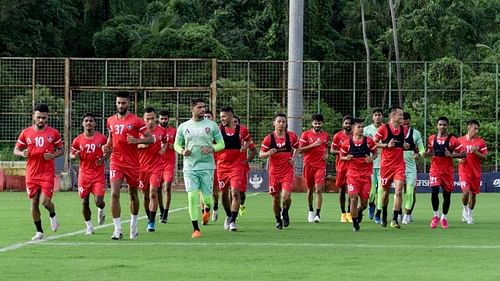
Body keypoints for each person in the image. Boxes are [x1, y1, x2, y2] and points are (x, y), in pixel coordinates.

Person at [103, 92, 154, 240]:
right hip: (116, 161)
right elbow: (111, 138)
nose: (120, 106)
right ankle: (117, 230)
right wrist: (107, 146)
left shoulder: (137, 121)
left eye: (123, 103)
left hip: (132, 163)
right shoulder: (110, 120)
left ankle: (134, 224)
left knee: (133, 194)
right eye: (118, 103)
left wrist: (137, 141)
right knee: (114, 193)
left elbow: (150, 139)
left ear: (128, 104)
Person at [174, 98, 224, 238]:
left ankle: (207, 209)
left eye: (204, 107)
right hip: (190, 167)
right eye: (199, 107)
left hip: (207, 167)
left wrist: (212, 148)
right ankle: (196, 229)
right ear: (192, 109)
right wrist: (182, 151)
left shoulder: (212, 125)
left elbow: (221, 144)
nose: (203, 110)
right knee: (192, 197)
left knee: (208, 198)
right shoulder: (184, 126)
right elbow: (176, 145)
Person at [14, 104, 64, 240]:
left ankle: (52, 214)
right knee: (34, 203)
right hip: (31, 174)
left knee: (45, 202)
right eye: (38, 117)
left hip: (47, 173)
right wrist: (22, 153)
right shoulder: (26, 133)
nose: (41, 120)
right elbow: (16, 150)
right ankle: (39, 232)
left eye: (43, 117)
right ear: (33, 117)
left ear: (47, 117)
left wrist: (53, 155)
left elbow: (61, 149)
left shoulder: (53, 133)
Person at [70, 112, 109, 235]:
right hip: (84, 175)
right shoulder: (78, 140)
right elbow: (71, 154)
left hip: (98, 174)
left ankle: (101, 209)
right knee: (84, 202)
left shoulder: (102, 138)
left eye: (91, 121)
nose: (88, 123)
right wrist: (74, 156)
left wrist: (103, 158)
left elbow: (109, 151)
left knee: (98, 201)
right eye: (86, 121)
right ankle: (89, 227)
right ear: (83, 123)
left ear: (95, 123)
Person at [259, 113, 299, 230]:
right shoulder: (269, 138)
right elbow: (261, 154)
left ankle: (285, 212)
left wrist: (294, 158)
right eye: (279, 121)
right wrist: (268, 153)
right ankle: (278, 220)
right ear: (274, 123)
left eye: (283, 122)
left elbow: (298, 147)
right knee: (276, 198)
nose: (281, 124)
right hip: (274, 173)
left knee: (286, 197)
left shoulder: (291, 136)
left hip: (287, 170)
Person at [424, 117, 465, 229]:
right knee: (434, 191)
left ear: (447, 126)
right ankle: (435, 216)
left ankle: (444, 217)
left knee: (447, 196)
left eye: (444, 125)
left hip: (447, 171)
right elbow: (430, 151)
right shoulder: (432, 138)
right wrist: (425, 154)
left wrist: (452, 155)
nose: (442, 127)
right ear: (437, 125)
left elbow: (464, 153)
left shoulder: (453, 140)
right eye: (440, 124)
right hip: (435, 170)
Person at [373, 106, 408, 229]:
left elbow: (403, 144)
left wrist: (405, 145)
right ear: (393, 116)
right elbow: (374, 143)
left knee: (398, 191)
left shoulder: (404, 129)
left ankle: (394, 218)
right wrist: (386, 145)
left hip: (399, 165)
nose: (402, 117)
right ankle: (384, 214)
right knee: (386, 192)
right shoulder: (384, 128)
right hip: (386, 165)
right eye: (400, 115)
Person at [217, 107, 252, 231]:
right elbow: (211, 144)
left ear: (231, 116)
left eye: (224, 116)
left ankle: (232, 221)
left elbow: (249, 142)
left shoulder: (242, 130)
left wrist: (245, 147)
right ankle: (228, 215)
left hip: (236, 166)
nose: (222, 119)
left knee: (235, 193)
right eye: (221, 117)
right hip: (222, 166)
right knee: (224, 193)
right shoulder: (218, 130)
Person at [340, 118, 377, 231]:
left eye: (362, 127)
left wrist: (371, 159)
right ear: (353, 129)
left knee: (364, 203)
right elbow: (341, 156)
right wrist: (346, 158)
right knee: (353, 198)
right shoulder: (347, 143)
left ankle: (360, 210)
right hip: (352, 175)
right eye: (358, 127)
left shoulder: (369, 141)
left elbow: (375, 153)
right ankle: (355, 223)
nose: (361, 129)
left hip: (365, 176)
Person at [138, 107, 167, 233]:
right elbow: (131, 144)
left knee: (153, 193)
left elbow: (165, 141)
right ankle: (149, 216)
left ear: (156, 118)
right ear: (143, 119)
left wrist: (163, 149)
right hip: (141, 168)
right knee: (145, 195)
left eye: (152, 118)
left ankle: (151, 222)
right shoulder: (139, 132)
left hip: (156, 167)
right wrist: (141, 144)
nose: (150, 121)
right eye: (147, 119)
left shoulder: (161, 131)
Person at [298, 113, 329, 223]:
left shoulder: (325, 135)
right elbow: (300, 150)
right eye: (315, 123)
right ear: (312, 123)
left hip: (320, 166)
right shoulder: (305, 135)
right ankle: (310, 210)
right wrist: (313, 145)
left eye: (319, 123)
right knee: (310, 189)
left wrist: (327, 154)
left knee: (319, 190)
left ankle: (318, 214)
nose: (317, 125)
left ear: (322, 124)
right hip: (308, 165)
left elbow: (326, 147)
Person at [458, 120, 488, 224]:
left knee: (473, 195)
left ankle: (470, 214)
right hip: (464, 171)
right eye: (475, 128)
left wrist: (476, 152)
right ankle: (465, 209)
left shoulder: (481, 142)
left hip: (475, 172)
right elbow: (454, 153)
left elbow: (485, 157)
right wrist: (458, 159)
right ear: (468, 128)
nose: (477, 130)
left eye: (477, 129)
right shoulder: (460, 140)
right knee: (465, 193)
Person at [401, 112, 425, 224]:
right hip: (397, 165)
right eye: (401, 119)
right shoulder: (394, 132)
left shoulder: (415, 133)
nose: (403, 121)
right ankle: (398, 212)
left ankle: (408, 213)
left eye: (405, 119)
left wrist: (418, 154)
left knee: (410, 191)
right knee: (398, 192)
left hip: (410, 166)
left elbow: (422, 149)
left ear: (409, 120)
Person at [363, 108, 384, 223]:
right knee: (371, 192)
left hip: (383, 163)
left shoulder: (386, 129)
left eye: (379, 115)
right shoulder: (366, 130)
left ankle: (378, 213)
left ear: (382, 117)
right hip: (370, 164)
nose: (377, 117)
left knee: (381, 190)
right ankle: (371, 204)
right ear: (372, 117)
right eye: (375, 115)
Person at [233, 116, 257, 217]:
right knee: (232, 191)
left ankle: (241, 205)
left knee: (241, 192)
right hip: (228, 167)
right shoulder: (223, 134)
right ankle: (232, 214)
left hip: (241, 167)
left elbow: (254, 150)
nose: (233, 123)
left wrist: (246, 160)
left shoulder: (243, 135)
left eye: (236, 122)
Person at [331, 115, 352, 223]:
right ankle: (343, 213)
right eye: (346, 123)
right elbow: (332, 150)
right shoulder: (337, 136)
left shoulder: (355, 136)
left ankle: (349, 212)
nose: (348, 125)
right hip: (341, 166)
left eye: (349, 123)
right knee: (342, 190)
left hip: (353, 167)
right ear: (343, 124)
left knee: (352, 190)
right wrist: (342, 152)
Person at [158, 109, 177, 224]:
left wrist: (169, 145)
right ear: (158, 119)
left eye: (165, 118)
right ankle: (161, 209)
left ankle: (165, 212)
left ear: (168, 119)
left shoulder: (173, 131)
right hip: (157, 163)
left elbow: (178, 146)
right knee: (157, 188)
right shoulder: (155, 131)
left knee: (167, 186)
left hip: (169, 163)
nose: (163, 120)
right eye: (161, 118)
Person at [203, 110, 220, 223]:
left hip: (215, 164)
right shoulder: (197, 130)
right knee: (202, 191)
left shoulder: (216, 130)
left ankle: (216, 208)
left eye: (209, 116)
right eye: (205, 116)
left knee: (214, 191)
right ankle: (205, 213)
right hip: (202, 164)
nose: (206, 118)